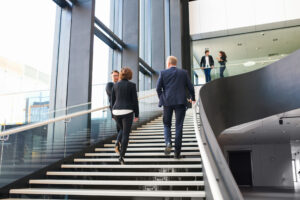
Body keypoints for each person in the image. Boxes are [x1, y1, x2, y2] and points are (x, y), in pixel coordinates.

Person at [156, 56, 195, 159]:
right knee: (179, 126)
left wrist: (162, 98)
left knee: (167, 124)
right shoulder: (183, 73)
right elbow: (190, 87)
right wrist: (193, 98)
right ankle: (177, 153)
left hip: (167, 102)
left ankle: (168, 142)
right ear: (175, 63)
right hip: (181, 102)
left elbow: (158, 88)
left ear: (168, 63)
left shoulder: (163, 73)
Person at [111, 67, 139, 164]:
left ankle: (117, 141)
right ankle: (121, 156)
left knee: (122, 129)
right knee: (126, 133)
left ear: (121, 75)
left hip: (116, 112)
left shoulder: (115, 85)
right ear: (130, 75)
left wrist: (112, 114)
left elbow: (112, 101)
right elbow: (135, 101)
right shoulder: (132, 85)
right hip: (127, 112)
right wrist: (137, 114)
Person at [106, 70, 123, 154]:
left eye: (117, 75)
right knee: (121, 128)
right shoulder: (109, 85)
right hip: (115, 110)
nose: (116, 77)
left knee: (121, 128)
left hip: (123, 109)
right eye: (114, 76)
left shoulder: (120, 84)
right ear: (111, 77)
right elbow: (114, 94)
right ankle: (118, 143)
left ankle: (119, 144)